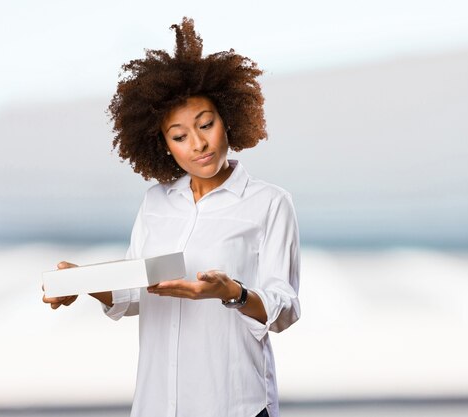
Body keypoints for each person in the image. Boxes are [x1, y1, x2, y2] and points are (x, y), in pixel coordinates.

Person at [42, 17, 300, 417]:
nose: (198, 144)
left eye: (206, 125)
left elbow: (285, 309)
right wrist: (86, 283)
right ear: (162, 145)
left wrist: (232, 292)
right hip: (158, 404)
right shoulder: (155, 203)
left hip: (234, 405)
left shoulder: (269, 203)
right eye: (179, 136)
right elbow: (132, 295)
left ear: (227, 118)